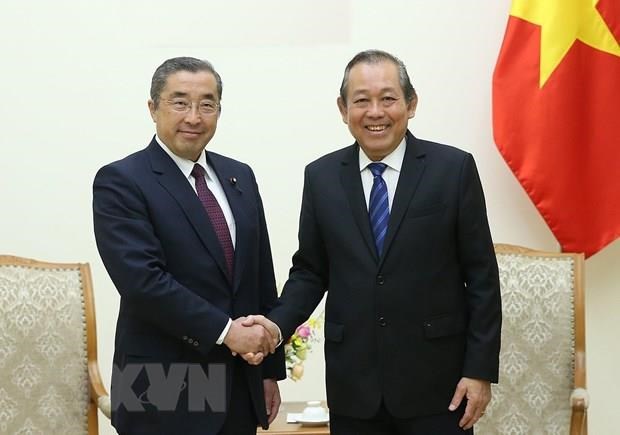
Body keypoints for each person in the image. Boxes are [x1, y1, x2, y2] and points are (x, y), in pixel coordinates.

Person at [247, 49, 502, 434]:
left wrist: (479, 370)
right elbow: (311, 272)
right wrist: (274, 328)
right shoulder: (322, 177)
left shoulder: (453, 170)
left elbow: (481, 277)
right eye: (361, 100)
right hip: (355, 387)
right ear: (343, 108)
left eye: (388, 98)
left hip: (438, 387)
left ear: (411, 104)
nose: (375, 112)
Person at [93, 56, 284, 435]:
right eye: (179, 102)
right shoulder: (121, 180)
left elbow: (260, 273)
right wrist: (227, 332)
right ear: (153, 108)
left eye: (207, 104)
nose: (194, 117)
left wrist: (267, 372)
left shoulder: (239, 175)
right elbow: (143, 283)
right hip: (160, 382)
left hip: (236, 381)